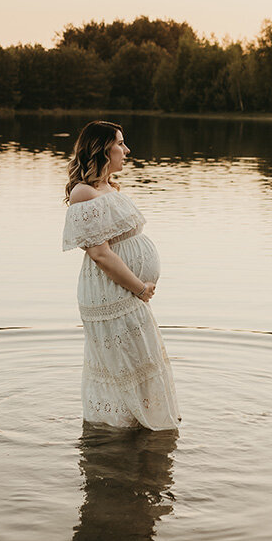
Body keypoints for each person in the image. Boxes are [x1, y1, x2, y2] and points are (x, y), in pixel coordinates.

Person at [63, 120, 180, 430]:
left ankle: (138, 426)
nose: (126, 150)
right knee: (126, 363)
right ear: (103, 150)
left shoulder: (107, 187)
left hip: (126, 291)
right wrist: (139, 287)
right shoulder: (84, 193)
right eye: (120, 144)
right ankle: (120, 435)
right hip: (111, 291)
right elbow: (100, 254)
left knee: (140, 359)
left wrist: (140, 288)